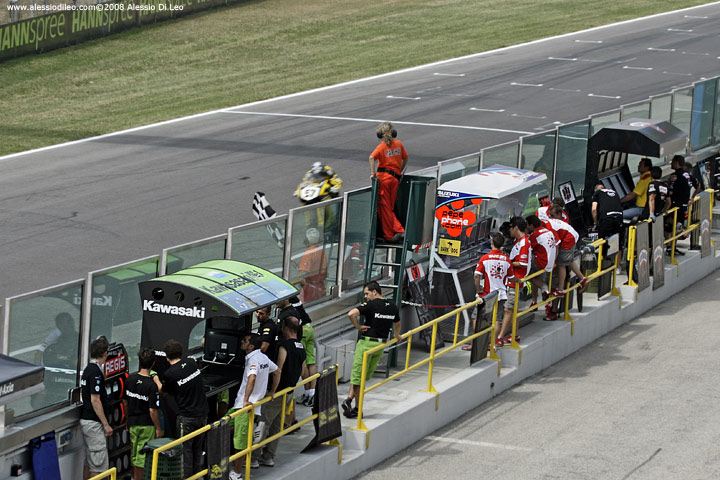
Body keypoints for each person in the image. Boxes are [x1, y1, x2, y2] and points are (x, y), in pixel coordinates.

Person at [342, 281, 400, 419]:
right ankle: (354, 406)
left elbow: (351, 314)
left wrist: (358, 326)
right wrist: (397, 336)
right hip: (380, 346)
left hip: (366, 344)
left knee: (357, 377)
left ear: (375, 292)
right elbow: (397, 324)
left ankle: (352, 403)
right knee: (362, 378)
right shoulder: (392, 306)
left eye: (367, 294)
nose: (366, 297)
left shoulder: (370, 305)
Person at [229, 334, 279, 480]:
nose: (241, 342)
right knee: (225, 427)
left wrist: (246, 400)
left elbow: (252, 377)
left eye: (244, 341)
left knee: (240, 443)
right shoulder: (263, 357)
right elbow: (277, 372)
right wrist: (272, 391)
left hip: (245, 408)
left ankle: (237, 474)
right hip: (244, 405)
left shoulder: (254, 360)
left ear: (251, 346)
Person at [257, 317, 306, 467]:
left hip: (278, 393)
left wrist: (272, 390)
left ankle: (252, 457)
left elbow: (278, 370)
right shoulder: (301, 346)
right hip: (289, 392)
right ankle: (269, 456)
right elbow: (304, 371)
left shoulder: (284, 346)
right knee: (276, 427)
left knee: (263, 423)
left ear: (285, 328)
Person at [160, 339, 209, 478]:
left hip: (186, 418)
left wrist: (157, 381)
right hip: (202, 414)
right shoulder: (191, 363)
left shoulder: (170, 374)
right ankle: (197, 475)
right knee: (197, 450)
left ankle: (187, 477)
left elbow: (163, 392)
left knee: (185, 451)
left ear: (166, 356)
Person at [466, 233, 511, 350]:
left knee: (477, 316)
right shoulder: (507, 260)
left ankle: (477, 343)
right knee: (496, 320)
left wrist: (478, 289)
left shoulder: (485, 258)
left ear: (492, 244)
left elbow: (477, 276)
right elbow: (511, 277)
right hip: (501, 295)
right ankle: (492, 344)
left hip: (486, 295)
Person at [124, 348, 162, 480]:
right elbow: (153, 410)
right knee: (142, 458)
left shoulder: (130, 380)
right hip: (147, 426)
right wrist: (158, 428)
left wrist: (127, 422)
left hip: (133, 424)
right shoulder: (151, 386)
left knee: (134, 455)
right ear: (153, 364)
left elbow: (125, 403)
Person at [369, 122, 409, 242]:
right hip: (395, 179)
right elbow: (405, 158)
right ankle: (391, 233)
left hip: (384, 180)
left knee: (385, 208)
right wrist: (399, 171)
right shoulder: (399, 144)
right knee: (389, 208)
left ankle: (397, 231)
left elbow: (371, 157)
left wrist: (372, 174)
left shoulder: (382, 147)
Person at [80, 336, 112, 480]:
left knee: (90, 462)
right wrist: (105, 424)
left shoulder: (89, 369)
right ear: (105, 353)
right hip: (94, 424)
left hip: (87, 422)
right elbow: (95, 400)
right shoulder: (95, 373)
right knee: (98, 466)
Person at [497, 217, 530, 346]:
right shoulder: (519, 241)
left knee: (508, 310)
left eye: (510, 228)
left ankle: (500, 337)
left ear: (516, 228)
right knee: (512, 310)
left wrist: (507, 262)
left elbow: (522, 263)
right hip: (512, 280)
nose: (509, 231)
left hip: (515, 281)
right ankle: (514, 335)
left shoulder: (524, 243)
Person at [546, 205, 588, 297]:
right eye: (550, 216)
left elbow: (556, 245)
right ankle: (582, 279)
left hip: (569, 238)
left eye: (552, 216)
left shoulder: (548, 227)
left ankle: (560, 290)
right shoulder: (548, 223)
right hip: (571, 235)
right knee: (569, 260)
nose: (550, 218)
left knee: (561, 264)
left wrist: (554, 260)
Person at [524, 215, 558, 317]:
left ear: (531, 225)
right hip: (551, 262)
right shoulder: (548, 231)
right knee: (535, 276)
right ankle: (536, 301)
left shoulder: (536, 235)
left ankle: (544, 288)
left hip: (542, 262)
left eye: (527, 226)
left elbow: (527, 248)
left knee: (525, 269)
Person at [298, 227, 328, 302]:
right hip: (321, 286)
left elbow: (304, 272)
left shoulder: (308, 253)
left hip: (310, 289)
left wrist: (297, 278)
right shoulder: (321, 250)